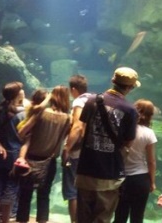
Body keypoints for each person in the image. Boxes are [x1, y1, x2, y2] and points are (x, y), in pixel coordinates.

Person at [64, 67, 139, 223]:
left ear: (113, 81)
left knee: (82, 218)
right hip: (110, 174)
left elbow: (82, 129)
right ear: (130, 87)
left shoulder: (91, 101)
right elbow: (129, 142)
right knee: (102, 218)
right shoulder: (130, 110)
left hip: (85, 170)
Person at [15, 86, 70, 223]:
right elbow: (62, 140)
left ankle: (22, 220)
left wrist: (29, 137)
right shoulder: (67, 118)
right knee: (44, 195)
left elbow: (22, 132)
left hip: (31, 159)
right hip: (50, 161)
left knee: (25, 195)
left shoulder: (42, 114)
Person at [113, 99, 157, 223]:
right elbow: (151, 161)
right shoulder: (149, 133)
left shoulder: (123, 129)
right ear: (150, 115)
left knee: (120, 215)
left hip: (122, 178)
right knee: (137, 217)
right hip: (141, 179)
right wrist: (152, 182)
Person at [0, 82, 25, 223]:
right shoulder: (22, 114)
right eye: (20, 90)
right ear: (17, 94)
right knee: (11, 188)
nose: (23, 91)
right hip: (15, 155)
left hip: (0, 156)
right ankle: (5, 220)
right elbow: (26, 136)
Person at [61, 74, 90, 223]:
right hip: (90, 153)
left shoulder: (79, 101)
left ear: (73, 89)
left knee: (73, 191)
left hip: (77, 153)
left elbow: (78, 126)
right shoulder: (94, 100)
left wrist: (67, 148)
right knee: (85, 191)